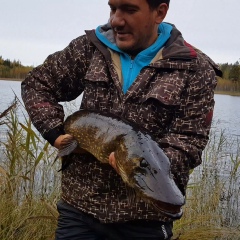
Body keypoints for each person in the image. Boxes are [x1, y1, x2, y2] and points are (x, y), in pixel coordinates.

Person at [21, 0, 222, 239]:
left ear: (160, 12)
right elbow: (37, 84)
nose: (116, 19)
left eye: (129, 9)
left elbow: (190, 140)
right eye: (113, 8)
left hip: (145, 220)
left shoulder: (194, 68)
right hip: (80, 209)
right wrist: (54, 132)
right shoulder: (89, 49)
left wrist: (141, 161)